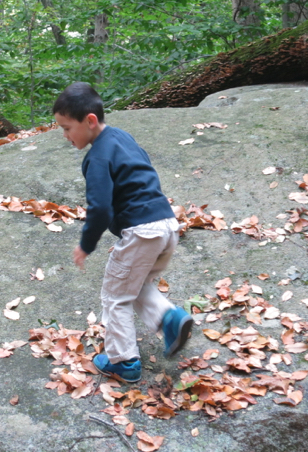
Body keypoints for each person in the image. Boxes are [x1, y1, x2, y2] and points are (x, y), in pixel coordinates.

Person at [52, 82, 193, 383]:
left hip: (142, 232)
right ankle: (169, 318)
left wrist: (86, 244)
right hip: (167, 226)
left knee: (115, 295)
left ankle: (123, 361)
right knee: (134, 282)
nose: (65, 136)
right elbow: (145, 169)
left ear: (90, 121)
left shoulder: (97, 157)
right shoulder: (123, 138)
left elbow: (100, 208)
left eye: (67, 128)